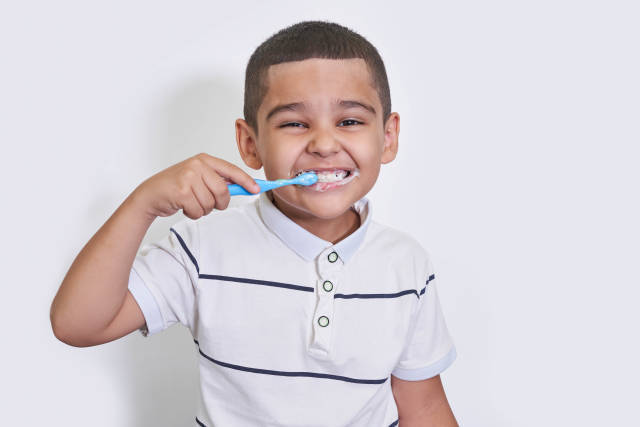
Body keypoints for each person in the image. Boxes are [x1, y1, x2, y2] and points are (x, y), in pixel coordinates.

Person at [50, 20, 458, 426]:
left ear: (387, 138)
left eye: (349, 121)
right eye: (294, 123)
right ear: (250, 144)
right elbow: (77, 324)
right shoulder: (202, 250)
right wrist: (142, 204)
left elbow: (423, 409)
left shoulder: (407, 266)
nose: (324, 144)